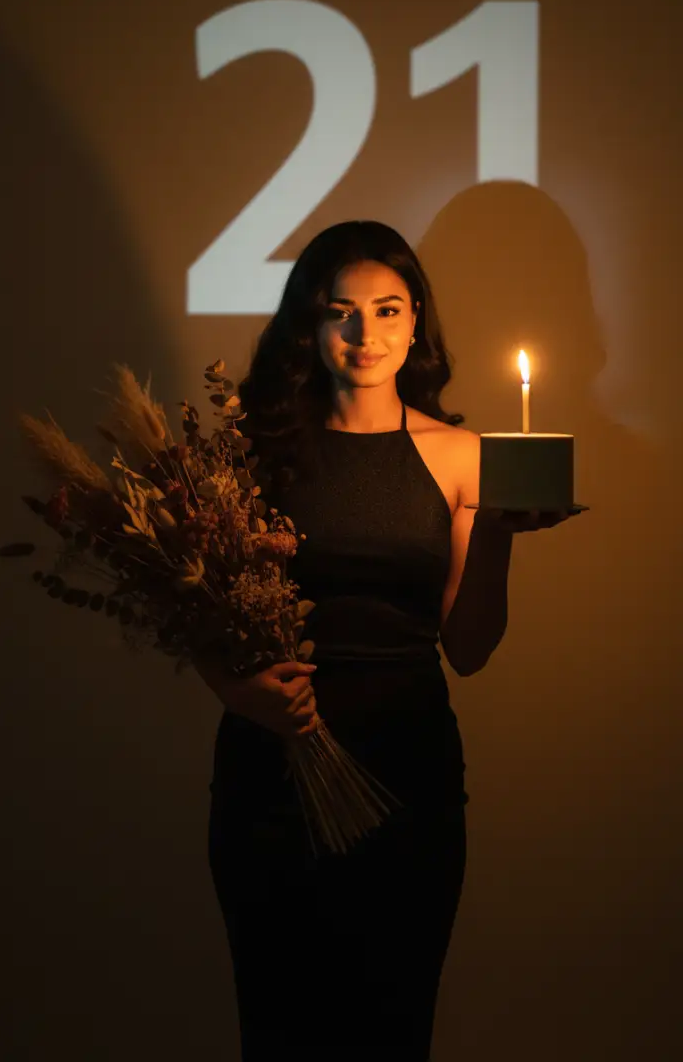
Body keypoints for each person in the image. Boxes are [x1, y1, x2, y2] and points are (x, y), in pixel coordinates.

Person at [195, 221, 577, 1061]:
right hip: (271, 777)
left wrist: (503, 531)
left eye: (388, 309)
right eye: (342, 312)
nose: (366, 334)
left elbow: (468, 647)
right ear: (308, 324)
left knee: (393, 1032)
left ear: (416, 324)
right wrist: (237, 691)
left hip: (409, 773)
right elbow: (200, 612)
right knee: (277, 1031)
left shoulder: (464, 455)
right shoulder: (248, 453)